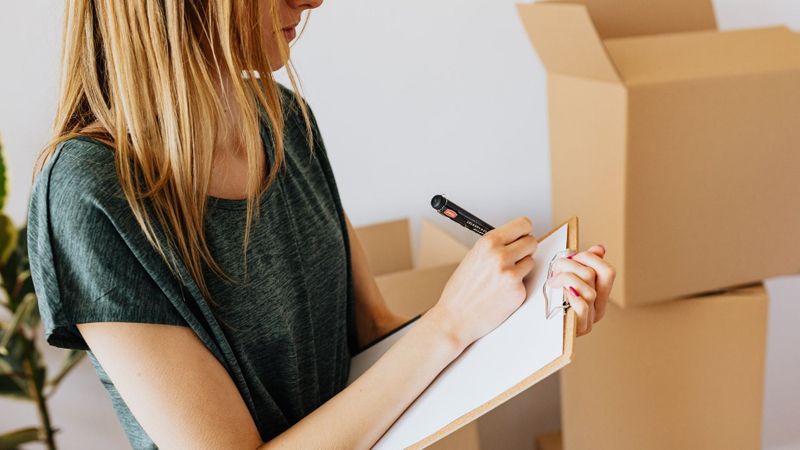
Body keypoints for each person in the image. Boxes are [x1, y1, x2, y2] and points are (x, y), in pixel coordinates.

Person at [27, 0, 616, 448]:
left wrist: (531, 316)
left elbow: (375, 336)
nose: (313, 1)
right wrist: (450, 324)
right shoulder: (91, 193)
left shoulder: (285, 119)